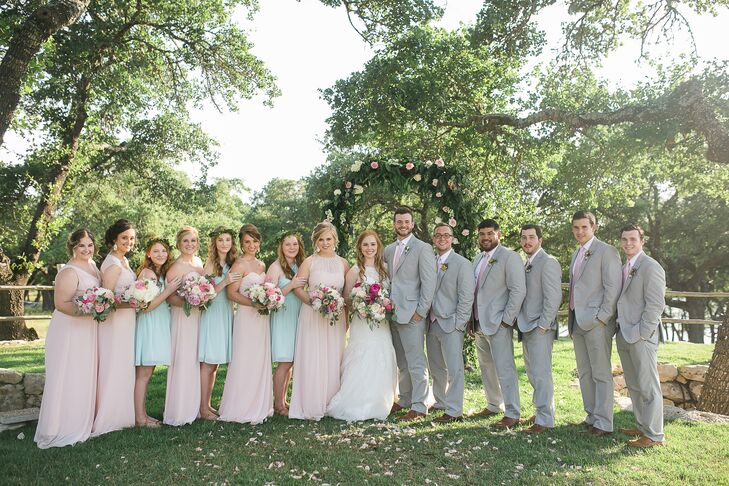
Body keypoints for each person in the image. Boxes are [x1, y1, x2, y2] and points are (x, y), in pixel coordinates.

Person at [35, 229, 101, 448]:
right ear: (73, 247)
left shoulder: (93, 266)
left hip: (87, 329)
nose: (86, 249)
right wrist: (89, 310)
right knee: (66, 374)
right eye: (81, 245)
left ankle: (79, 421)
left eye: (90, 245)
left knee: (82, 374)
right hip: (69, 329)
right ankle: (58, 427)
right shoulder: (68, 271)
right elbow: (61, 304)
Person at [327, 230, 398, 421]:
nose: (369, 248)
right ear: (360, 247)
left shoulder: (385, 268)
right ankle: (358, 401)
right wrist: (363, 305)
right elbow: (347, 299)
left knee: (381, 355)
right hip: (362, 322)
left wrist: (382, 306)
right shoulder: (354, 271)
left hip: (381, 322)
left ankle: (381, 400)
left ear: (378, 246)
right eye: (365, 245)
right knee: (362, 357)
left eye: (373, 244)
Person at [568, 210, 622, 436]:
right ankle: (591, 416)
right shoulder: (576, 254)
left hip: (598, 322)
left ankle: (604, 423)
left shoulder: (606, 251)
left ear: (594, 227)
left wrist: (603, 317)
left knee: (600, 373)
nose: (580, 231)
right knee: (585, 372)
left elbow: (613, 287)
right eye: (576, 228)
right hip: (577, 321)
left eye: (584, 227)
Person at [289, 221, 350, 420]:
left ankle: (331, 402)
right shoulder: (309, 262)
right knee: (313, 356)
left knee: (334, 357)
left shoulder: (343, 263)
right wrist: (315, 303)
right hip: (312, 315)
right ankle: (311, 403)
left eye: (328, 239)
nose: (325, 243)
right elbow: (298, 287)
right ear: (316, 241)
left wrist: (344, 317)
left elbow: (347, 294)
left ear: (335, 240)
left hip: (336, 318)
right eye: (321, 239)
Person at [470, 219, 526, 428]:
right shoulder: (477, 259)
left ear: (498, 234)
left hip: (499, 322)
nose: (485, 237)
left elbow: (518, 290)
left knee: (505, 368)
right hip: (478, 323)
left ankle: (513, 412)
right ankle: (494, 404)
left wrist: (506, 320)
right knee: (486, 366)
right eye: (482, 234)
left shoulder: (510, 257)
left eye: (489, 233)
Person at [615, 224, 666, 448]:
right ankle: (642, 425)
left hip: (641, 336)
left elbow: (655, 305)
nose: (628, 243)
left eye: (633, 239)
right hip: (624, 333)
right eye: (624, 239)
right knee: (634, 384)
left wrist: (642, 333)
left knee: (648, 386)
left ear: (641, 241)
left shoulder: (650, 267)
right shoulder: (625, 266)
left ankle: (654, 435)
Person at [384, 207, 436, 422]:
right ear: (394, 223)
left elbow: (429, 282)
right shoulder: (387, 250)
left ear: (412, 224)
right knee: (401, 361)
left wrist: (420, 312)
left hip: (413, 313)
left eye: (407, 222)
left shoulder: (423, 248)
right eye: (399, 221)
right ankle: (405, 399)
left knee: (416, 361)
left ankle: (420, 404)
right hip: (392, 314)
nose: (403, 225)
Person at [218, 224, 274, 424]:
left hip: (261, 318)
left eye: (255, 241)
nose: (251, 245)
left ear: (259, 243)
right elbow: (231, 293)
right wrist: (254, 303)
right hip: (246, 317)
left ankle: (259, 403)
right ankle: (240, 406)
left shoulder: (261, 265)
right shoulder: (238, 265)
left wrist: (266, 300)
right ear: (241, 244)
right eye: (247, 242)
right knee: (244, 358)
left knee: (259, 358)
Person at [92, 219, 137, 437]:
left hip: (126, 321)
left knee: (122, 365)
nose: (129, 242)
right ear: (114, 240)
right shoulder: (112, 263)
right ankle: (109, 416)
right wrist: (135, 302)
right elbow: (106, 299)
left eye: (131, 238)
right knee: (114, 364)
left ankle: (122, 413)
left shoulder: (123, 261)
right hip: (115, 322)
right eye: (124, 238)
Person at [425, 223, 474, 423]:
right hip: (432, 322)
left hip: (451, 323)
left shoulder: (462, 263)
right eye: (438, 235)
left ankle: (454, 410)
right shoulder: (429, 261)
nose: (442, 238)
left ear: (453, 238)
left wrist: (459, 323)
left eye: (446, 235)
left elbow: (466, 297)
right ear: (434, 239)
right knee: (436, 367)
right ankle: (441, 402)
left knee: (454, 368)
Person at [517, 224, 562, 433]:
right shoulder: (527, 262)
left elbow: (554, 297)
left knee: (542, 374)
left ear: (540, 240)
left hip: (540, 326)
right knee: (533, 372)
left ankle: (545, 420)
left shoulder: (548, 262)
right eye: (524, 238)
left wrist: (544, 324)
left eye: (531, 237)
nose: (527, 241)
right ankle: (541, 411)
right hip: (527, 325)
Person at [133, 238, 182, 427]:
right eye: (156, 251)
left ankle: (143, 414)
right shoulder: (147, 273)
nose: (161, 254)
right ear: (148, 253)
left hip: (159, 322)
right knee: (143, 375)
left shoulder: (158, 273)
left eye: (164, 251)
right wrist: (168, 290)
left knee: (147, 373)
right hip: (149, 324)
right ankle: (139, 418)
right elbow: (145, 307)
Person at [198, 227, 241, 420]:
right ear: (215, 243)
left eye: (228, 240)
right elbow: (204, 296)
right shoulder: (210, 265)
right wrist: (225, 282)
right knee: (208, 363)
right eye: (221, 240)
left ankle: (207, 405)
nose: (224, 243)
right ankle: (202, 408)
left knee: (214, 364)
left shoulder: (232, 263)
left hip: (225, 312)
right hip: (212, 314)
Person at [164, 226, 205, 426]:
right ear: (179, 244)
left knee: (195, 359)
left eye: (193, 241)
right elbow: (170, 297)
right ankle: (179, 411)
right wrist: (191, 302)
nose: (190, 244)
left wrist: (202, 298)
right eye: (186, 241)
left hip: (197, 317)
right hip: (182, 316)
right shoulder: (175, 266)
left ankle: (194, 406)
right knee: (183, 359)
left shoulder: (198, 262)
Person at [266, 232, 306, 416]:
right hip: (283, 317)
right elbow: (270, 296)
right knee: (284, 361)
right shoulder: (275, 267)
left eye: (295, 244)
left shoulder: (299, 265)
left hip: (298, 314)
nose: (292, 247)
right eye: (288, 244)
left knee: (290, 361)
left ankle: (283, 400)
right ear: (281, 247)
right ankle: (278, 405)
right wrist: (291, 285)